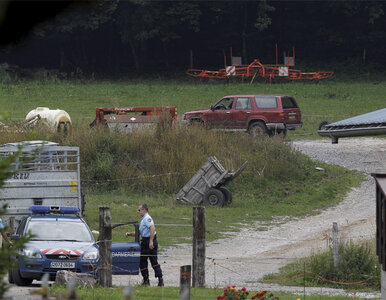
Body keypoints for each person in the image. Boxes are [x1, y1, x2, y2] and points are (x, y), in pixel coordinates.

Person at [126, 204, 163, 286]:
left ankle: (160, 280)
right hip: (145, 241)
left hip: (149, 241)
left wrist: (151, 241)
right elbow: (140, 232)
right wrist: (130, 234)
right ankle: (146, 280)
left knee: (153, 261)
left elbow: (152, 228)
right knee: (143, 261)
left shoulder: (147, 218)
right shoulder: (143, 219)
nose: (138, 212)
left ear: (144, 210)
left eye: (139, 210)